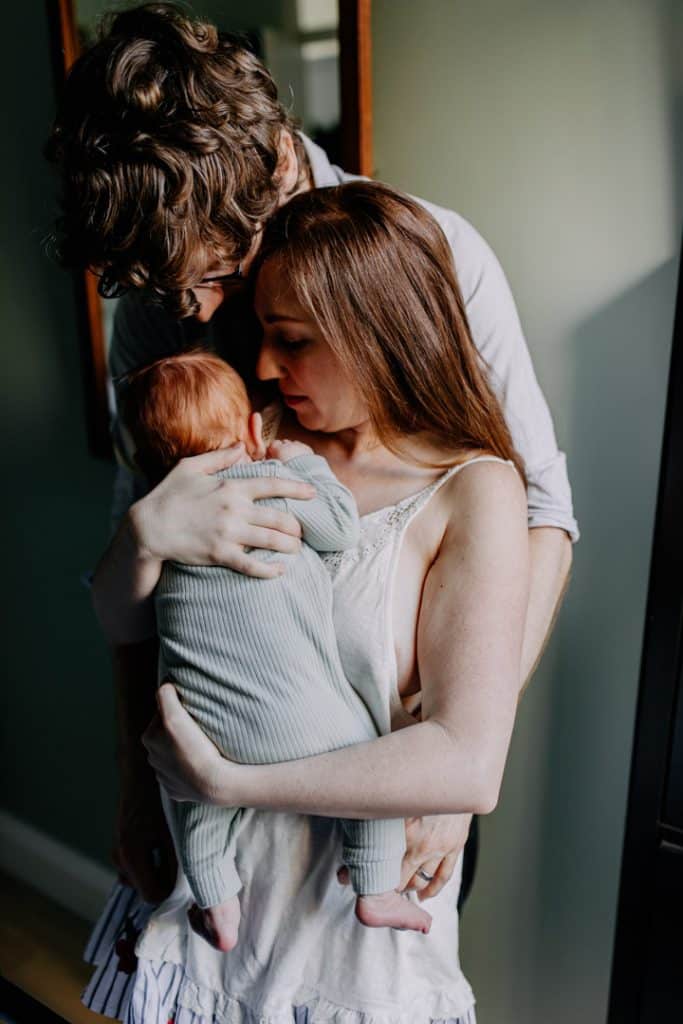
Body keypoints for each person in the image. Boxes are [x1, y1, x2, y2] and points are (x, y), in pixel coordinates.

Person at [44, 4, 578, 1020]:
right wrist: (136, 772)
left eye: (209, 274)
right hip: (212, 784)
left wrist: (447, 770)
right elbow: (145, 549)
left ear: (271, 177)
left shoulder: (429, 261)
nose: (191, 312)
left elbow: (540, 508)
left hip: (387, 782)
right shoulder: (161, 299)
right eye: (163, 285)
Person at [120, 349, 431, 947]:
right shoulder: (268, 485)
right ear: (250, 431)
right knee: (378, 776)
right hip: (309, 725)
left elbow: (123, 605)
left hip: (205, 728)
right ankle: (375, 888)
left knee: (193, 807)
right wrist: (308, 467)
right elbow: (339, 531)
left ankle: (218, 903)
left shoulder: (166, 515)